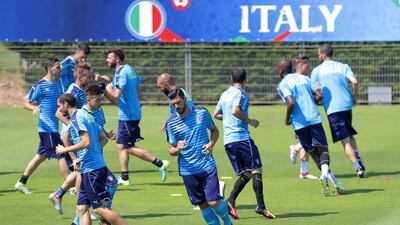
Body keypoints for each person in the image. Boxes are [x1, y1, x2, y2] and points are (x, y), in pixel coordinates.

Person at [55, 93, 128, 225]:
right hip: (91, 166)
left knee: (99, 209)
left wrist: (64, 150)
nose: (59, 109)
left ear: (66, 104)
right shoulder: (86, 115)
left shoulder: (76, 118)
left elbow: (86, 142)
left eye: (59, 106)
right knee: (81, 208)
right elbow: (103, 137)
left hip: (91, 170)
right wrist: (88, 155)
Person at [277, 56, 345, 196]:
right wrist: (311, 101)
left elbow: (290, 102)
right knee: (323, 151)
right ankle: (329, 179)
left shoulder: (282, 84)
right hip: (314, 119)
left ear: (280, 70)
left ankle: (335, 183)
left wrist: (286, 119)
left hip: (299, 124)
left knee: (315, 156)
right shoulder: (305, 79)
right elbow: (319, 96)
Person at [214, 68, 275, 220]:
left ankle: (230, 201)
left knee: (247, 173)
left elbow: (216, 114)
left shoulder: (225, 93)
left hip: (228, 141)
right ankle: (261, 206)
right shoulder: (241, 93)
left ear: (230, 78)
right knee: (256, 169)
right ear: (245, 79)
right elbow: (235, 111)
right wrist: (250, 121)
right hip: (241, 138)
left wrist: (227, 120)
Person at [165, 88, 232, 225]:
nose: (176, 106)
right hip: (187, 170)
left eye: (178, 102)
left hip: (207, 165)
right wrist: (177, 148)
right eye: (173, 104)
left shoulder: (202, 112)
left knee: (213, 202)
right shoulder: (171, 122)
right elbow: (170, 149)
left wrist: (211, 143)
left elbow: (214, 131)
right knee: (202, 204)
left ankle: (227, 221)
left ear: (184, 99)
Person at [104, 48, 169, 185]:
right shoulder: (129, 69)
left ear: (117, 59)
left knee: (126, 147)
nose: (107, 60)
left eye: (109, 57)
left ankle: (160, 163)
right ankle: (125, 177)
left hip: (127, 115)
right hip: (131, 112)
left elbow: (116, 95)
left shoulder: (122, 73)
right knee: (122, 146)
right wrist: (137, 101)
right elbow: (138, 85)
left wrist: (106, 90)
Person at [15, 58, 69, 194]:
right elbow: (25, 102)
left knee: (41, 155)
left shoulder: (57, 84)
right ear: (50, 69)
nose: (60, 68)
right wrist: (33, 108)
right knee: (61, 153)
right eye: (58, 66)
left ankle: (21, 182)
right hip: (47, 128)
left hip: (53, 127)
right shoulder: (39, 85)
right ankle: (71, 183)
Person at [311, 44, 366, 178]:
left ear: (323, 55)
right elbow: (355, 81)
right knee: (350, 135)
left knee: (344, 139)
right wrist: (356, 96)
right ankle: (358, 159)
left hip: (333, 109)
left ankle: (358, 168)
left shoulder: (317, 71)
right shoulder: (343, 66)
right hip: (346, 105)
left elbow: (315, 91)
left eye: (319, 54)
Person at [277, 58, 318, 180]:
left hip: (303, 116)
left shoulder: (288, 82)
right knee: (309, 142)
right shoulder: (292, 81)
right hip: (301, 118)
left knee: (308, 143)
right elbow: (291, 102)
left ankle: (303, 171)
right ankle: (296, 148)